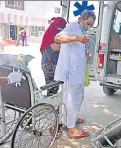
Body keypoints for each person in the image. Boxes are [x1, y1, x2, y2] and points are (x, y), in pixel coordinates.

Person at [54, 10, 96, 139]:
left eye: (91, 25)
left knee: (78, 98)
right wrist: (77, 38)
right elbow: (57, 38)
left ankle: (71, 120)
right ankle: (71, 129)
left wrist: (85, 53)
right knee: (72, 100)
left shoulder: (80, 31)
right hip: (70, 72)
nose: (89, 26)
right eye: (88, 23)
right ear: (81, 19)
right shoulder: (72, 26)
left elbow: (75, 48)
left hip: (77, 72)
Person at [40, 17, 67, 96]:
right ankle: (49, 107)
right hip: (49, 66)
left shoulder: (53, 32)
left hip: (52, 65)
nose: (61, 29)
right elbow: (56, 47)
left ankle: (50, 106)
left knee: (54, 87)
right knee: (52, 88)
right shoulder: (51, 34)